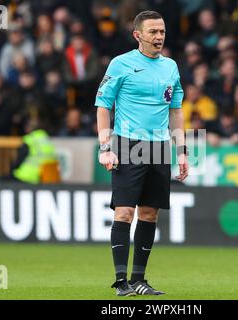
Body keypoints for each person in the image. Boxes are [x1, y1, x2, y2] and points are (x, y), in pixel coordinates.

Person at [95, 11, 188, 296]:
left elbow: (176, 111)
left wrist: (182, 152)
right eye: (153, 32)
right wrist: (105, 147)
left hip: (160, 148)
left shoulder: (171, 66)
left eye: (162, 31)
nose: (159, 37)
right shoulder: (121, 64)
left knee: (150, 214)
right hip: (128, 145)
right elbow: (103, 105)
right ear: (138, 35)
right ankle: (121, 282)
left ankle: (139, 280)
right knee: (124, 212)